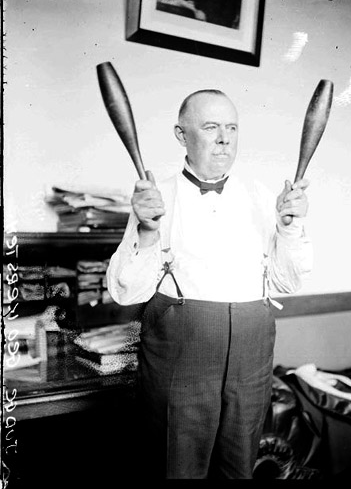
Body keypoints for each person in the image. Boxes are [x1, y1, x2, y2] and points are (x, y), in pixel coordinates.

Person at [107, 89, 313, 479]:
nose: (224, 139)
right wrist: (147, 233)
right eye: (211, 127)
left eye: (232, 128)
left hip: (252, 354)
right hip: (182, 355)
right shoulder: (155, 198)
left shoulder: (261, 196)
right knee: (176, 467)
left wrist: (290, 228)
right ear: (182, 135)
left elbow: (286, 283)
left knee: (238, 469)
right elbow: (126, 293)